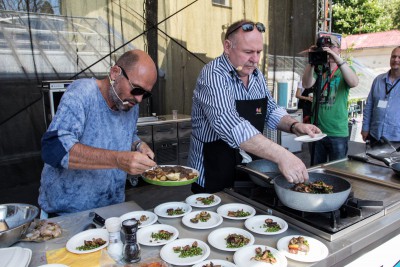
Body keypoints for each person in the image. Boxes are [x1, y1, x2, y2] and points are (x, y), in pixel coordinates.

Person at [188, 19, 321, 193]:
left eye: (259, 52)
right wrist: (282, 155)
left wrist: (294, 126)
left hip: (249, 167)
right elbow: (230, 123)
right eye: (248, 52)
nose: (255, 59)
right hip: (214, 169)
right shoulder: (213, 75)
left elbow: (270, 110)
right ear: (228, 47)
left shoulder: (256, 75)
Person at [39, 49, 158, 216]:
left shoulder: (130, 105)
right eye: (137, 89)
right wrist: (117, 159)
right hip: (67, 214)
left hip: (111, 210)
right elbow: (54, 148)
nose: (138, 99)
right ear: (115, 73)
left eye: (145, 94)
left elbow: (127, 134)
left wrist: (138, 144)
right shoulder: (82, 93)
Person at [302, 35, 359, 165]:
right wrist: (312, 60)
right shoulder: (318, 70)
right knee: (316, 168)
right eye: (324, 47)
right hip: (317, 130)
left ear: (339, 49)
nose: (327, 49)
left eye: (331, 46)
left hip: (337, 131)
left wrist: (337, 59)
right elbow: (306, 84)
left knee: (337, 170)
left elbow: (354, 82)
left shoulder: (344, 69)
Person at [361, 46, 400, 145]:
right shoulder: (378, 80)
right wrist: (365, 128)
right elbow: (369, 106)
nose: (396, 60)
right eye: (393, 56)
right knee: (372, 161)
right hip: (375, 135)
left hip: (396, 138)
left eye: (399, 57)